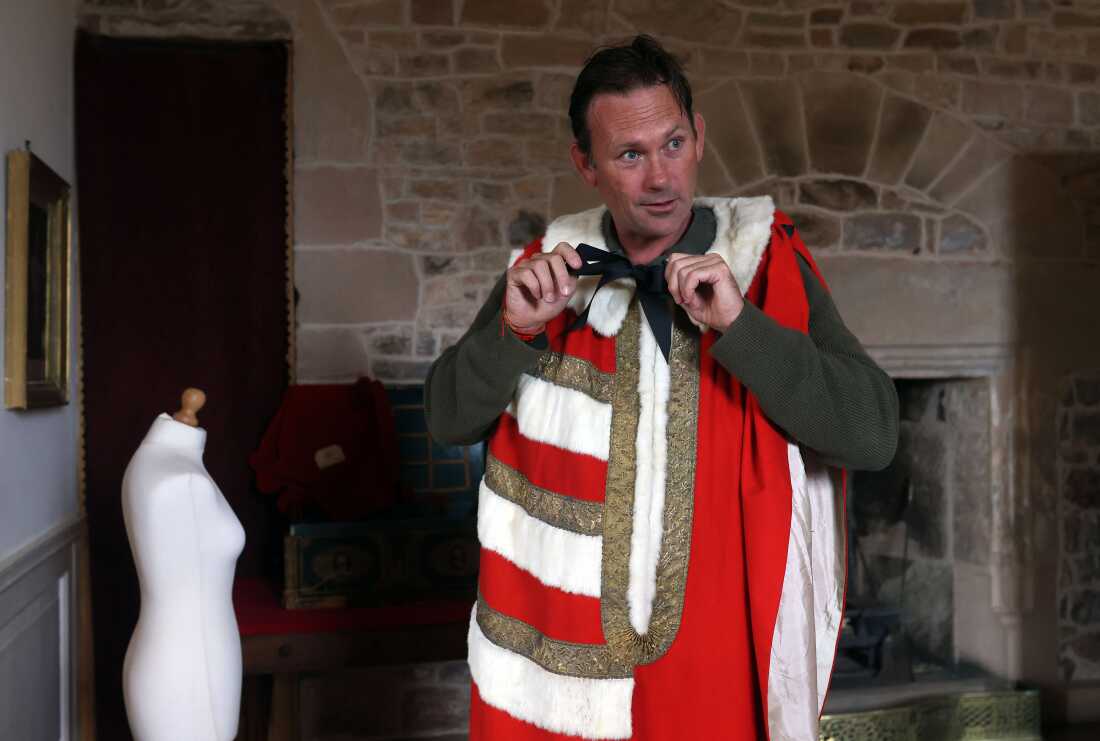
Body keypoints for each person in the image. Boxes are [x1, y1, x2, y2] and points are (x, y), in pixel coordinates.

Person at [425, 35, 898, 741]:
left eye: (673, 143)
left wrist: (741, 325)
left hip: (717, 663)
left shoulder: (769, 264)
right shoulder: (545, 273)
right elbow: (446, 418)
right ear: (585, 164)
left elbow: (873, 432)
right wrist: (513, 331)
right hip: (563, 672)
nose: (660, 178)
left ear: (700, 136)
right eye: (629, 155)